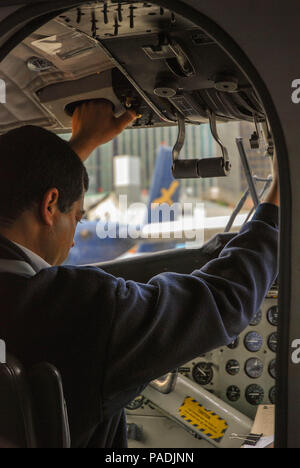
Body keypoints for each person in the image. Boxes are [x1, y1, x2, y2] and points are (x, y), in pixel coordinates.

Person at [0, 100, 279, 448]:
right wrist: (277, 205)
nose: (73, 240)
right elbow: (225, 300)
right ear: (49, 205)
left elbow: (22, 191)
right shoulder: (85, 309)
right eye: (78, 217)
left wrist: (77, 148)